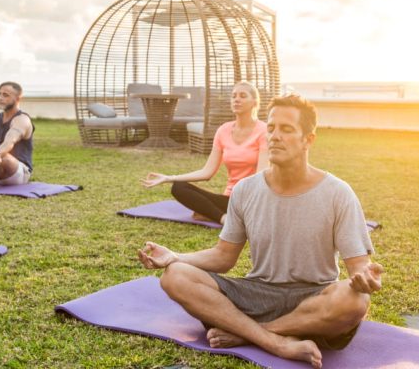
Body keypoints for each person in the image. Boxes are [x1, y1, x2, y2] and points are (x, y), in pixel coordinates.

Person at [138, 94, 383, 369]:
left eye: (287, 129)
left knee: (355, 301)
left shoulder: (338, 193)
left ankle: (250, 333)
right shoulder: (245, 190)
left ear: (308, 140)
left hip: (314, 299)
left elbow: (359, 268)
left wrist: (364, 278)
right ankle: (276, 342)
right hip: (256, 293)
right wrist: (175, 256)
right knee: (175, 276)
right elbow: (223, 257)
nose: (275, 136)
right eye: (271, 128)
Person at [142, 81, 268, 224]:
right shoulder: (223, 130)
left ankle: (212, 213)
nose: (236, 99)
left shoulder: (264, 131)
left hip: (252, 199)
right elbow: (207, 172)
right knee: (179, 187)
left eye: (243, 96)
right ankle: (224, 219)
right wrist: (168, 178)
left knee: (243, 205)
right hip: (229, 200)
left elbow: (260, 179)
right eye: (233, 96)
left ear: (255, 102)